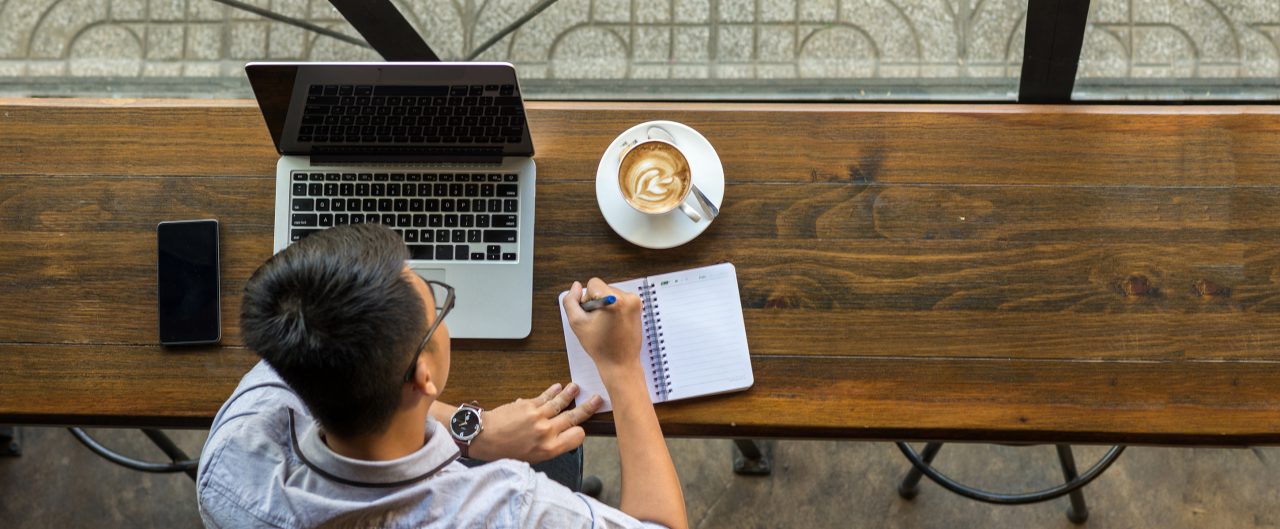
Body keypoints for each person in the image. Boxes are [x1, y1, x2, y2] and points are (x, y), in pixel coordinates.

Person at [196, 223, 687, 529]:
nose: (440, 307)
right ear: (424, 375)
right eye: (437, 302)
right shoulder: (511, 507)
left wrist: (477, 431)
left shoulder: (231, 458)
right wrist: (621, 368)